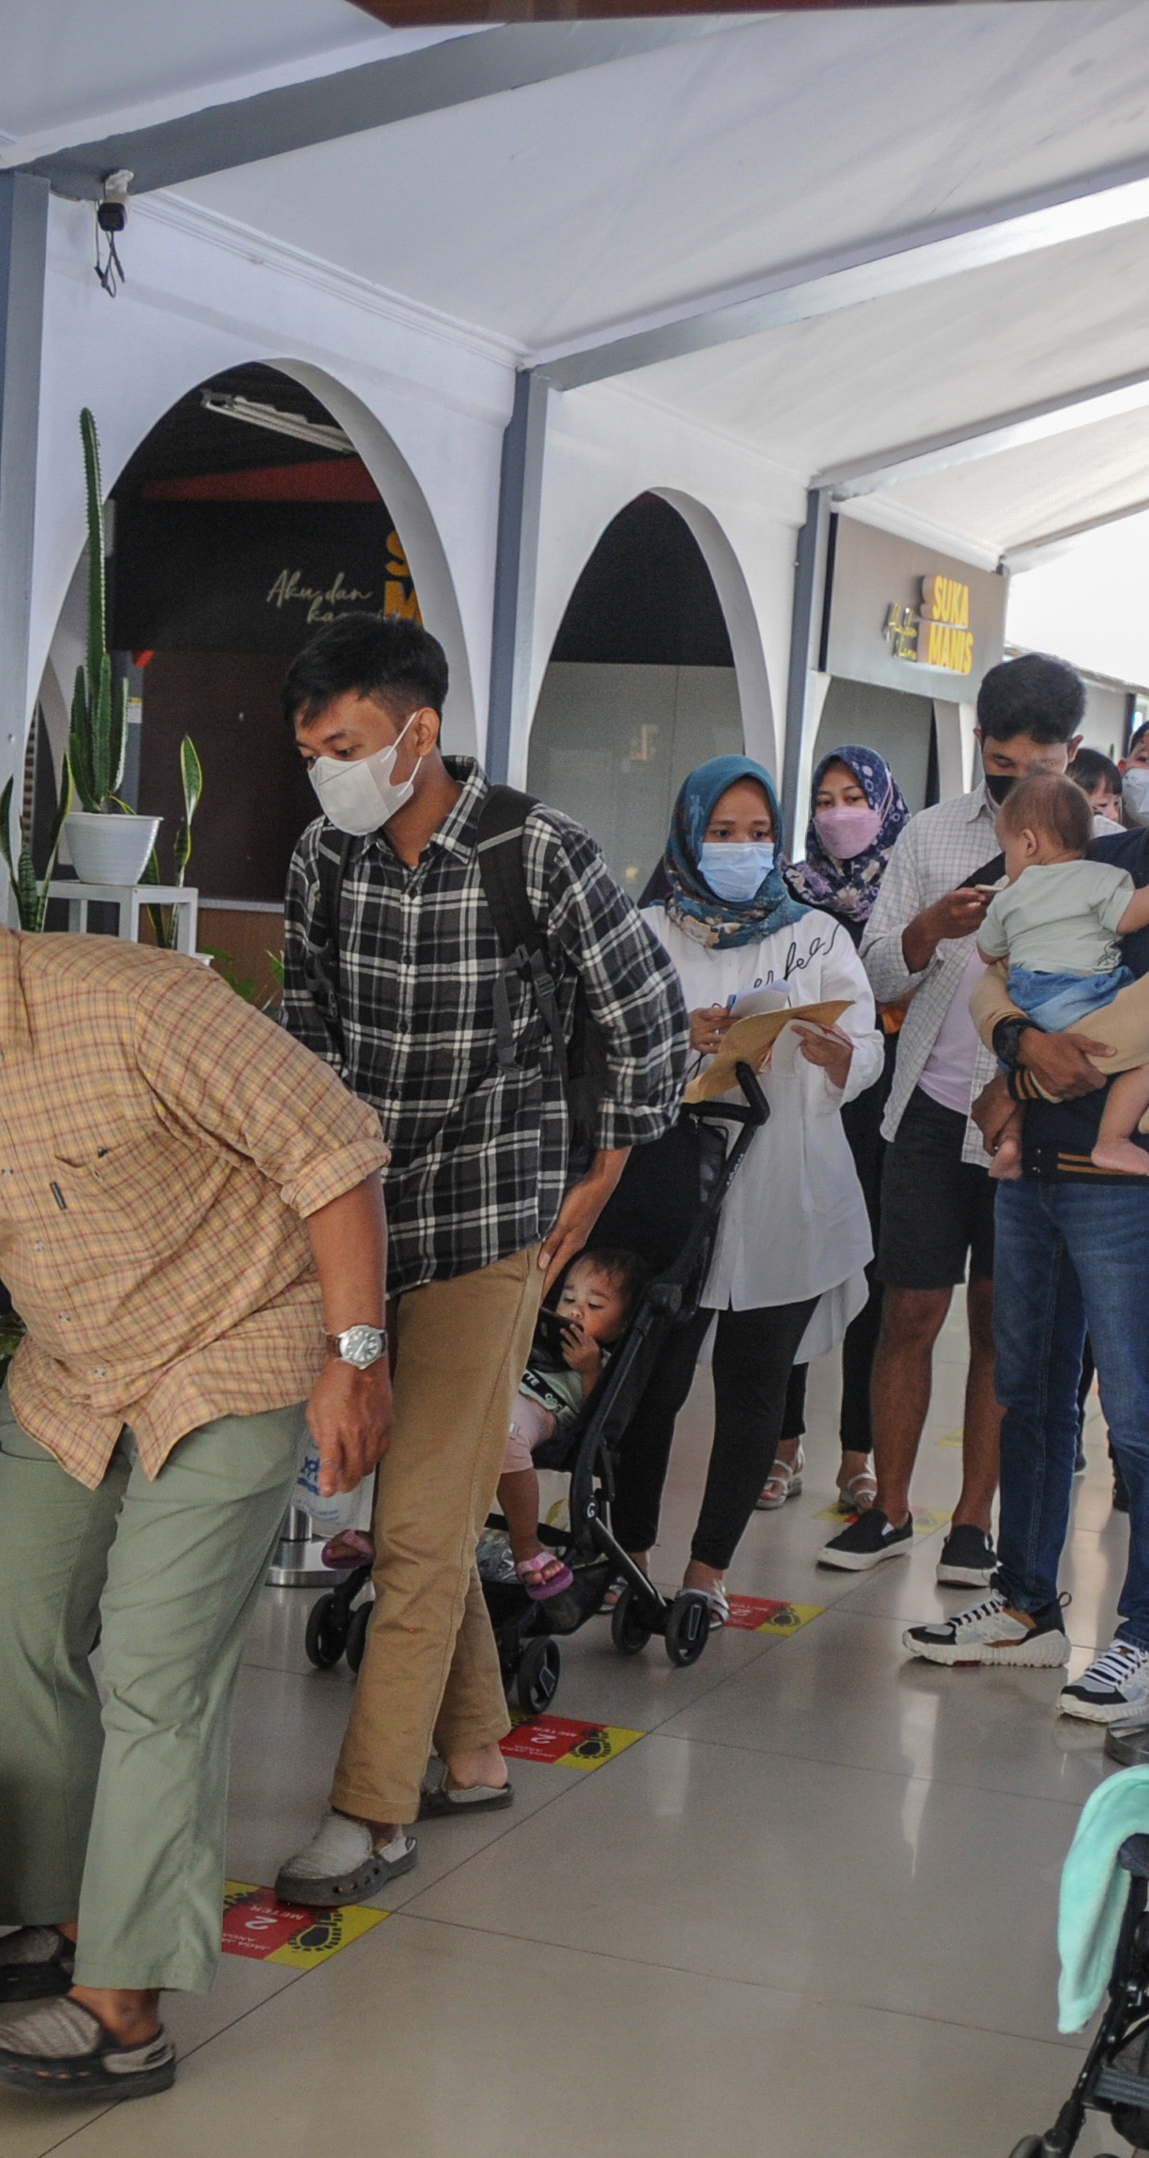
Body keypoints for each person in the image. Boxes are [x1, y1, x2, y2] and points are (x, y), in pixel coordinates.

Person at [0, 785, 390, 2102]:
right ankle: (57, 1919)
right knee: (9, 1638)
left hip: (232, 1341)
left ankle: (124, 2005)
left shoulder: (129, 1002)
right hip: (74, 1376)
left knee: (158, 1670)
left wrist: (355, 1358)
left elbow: (331, 1148)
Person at [270, 615, 684, 1908]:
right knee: (430, 1510)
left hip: (492, 1222)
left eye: (345, 744)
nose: (327, 772)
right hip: (364, 1226)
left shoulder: (534, 851)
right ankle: (473, 1748)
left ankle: (372, 1812)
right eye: (311, 751)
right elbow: (304, 1031)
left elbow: (650, 1018)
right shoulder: (322, 860)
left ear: (419, 732)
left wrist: (603, 1167)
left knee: (410, 1529)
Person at [907, 667, 1149, 1714]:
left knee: (1142, 1416)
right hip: (1037, 1168)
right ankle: (1027, 1603)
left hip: (1138, 1179)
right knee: (1029, 1395)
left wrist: (1024, 1070)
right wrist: (1013, 1038)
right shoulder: (1101, 852)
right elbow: (992, 964)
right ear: (1147, 749)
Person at [827, 653, 1096, 1581]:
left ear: (1072, 751)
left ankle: (974, 1521)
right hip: (930, 1110)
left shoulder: (1104, 847)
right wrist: (928, 930)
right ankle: (890, 1509)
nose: (1018, 784)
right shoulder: (934, 834)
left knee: (998, 1324)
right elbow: (876, 975)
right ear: (978, 742)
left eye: (1039, 766)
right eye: (1001, 763)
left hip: (1032, 1117)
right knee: (908, 1309)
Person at [607, 756, 881, 1610]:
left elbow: (867, 1042)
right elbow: (603, 1042)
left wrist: (840, 1056)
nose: (742, 849)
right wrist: (677, 1036)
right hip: (667, 1191)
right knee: (651, 1384)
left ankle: (708, 1575)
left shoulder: (817, 936)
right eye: (723, 833)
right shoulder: (644, 932)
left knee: (755, 1381)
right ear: (690, 835)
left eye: (759, 834)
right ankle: (629, 1555)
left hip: (783, 1183)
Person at [770, 744, 907, 1515]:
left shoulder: (906, 888)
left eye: (854, 797)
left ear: (883, 804)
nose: (837, 814)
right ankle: (782, 1442)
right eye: (824, 800)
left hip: (881, 1098)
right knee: (795, 1264)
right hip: (801, 1093)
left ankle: (858, 1454)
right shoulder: (789, 890)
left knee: (873, 1273)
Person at [961, 773, 1149, 1179]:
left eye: (1005, 850)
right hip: (1084, 996)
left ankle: (1010, 1143)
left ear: (1027, 843)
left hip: (1026, 1000)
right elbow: (1129, 917)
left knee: (1011, 1065)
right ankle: (1112, 1139)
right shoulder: (1102, 877)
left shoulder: (1009, 895)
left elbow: (987, 952)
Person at [495, 1247, 644, 1595]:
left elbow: (600, 1415)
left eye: (594, 1306)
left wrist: (590, 1370)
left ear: (623, 1323)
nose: (576, 1311)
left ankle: (527, 1544)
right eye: (568, 1299)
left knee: (503, 1434)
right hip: (500, 1390)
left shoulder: (602, 1361)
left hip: (540, 1409)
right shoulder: (543, 1336)